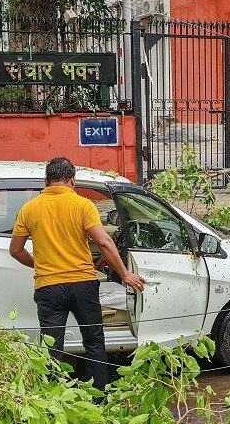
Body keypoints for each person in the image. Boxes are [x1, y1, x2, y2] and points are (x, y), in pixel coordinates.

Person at [10, 158, 144, 392]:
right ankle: (98, 396)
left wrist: (40, 266)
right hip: (83, 284)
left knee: (52, 347)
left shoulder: (29, 209)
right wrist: (125, 275)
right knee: (93, 341)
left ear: (46, 181)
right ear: (72, 181)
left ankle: (53, 398)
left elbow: (16, 250)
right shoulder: (82, 205)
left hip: (48, 288)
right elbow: (104, 242)